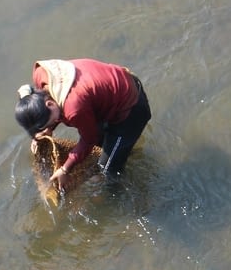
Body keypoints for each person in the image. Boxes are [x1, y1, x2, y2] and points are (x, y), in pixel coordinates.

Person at [15, 58, 151, 190]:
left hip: (130, 110)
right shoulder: (41, 75)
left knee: (107, 170)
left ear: (50, 104)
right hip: (108, 94)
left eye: (49, 122)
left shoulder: (74, 108)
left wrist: (65, 169)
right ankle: (125, 153)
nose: (51, 125)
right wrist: (46, 130)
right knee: (100, 149)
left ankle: (117, 188)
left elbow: (88, 140)